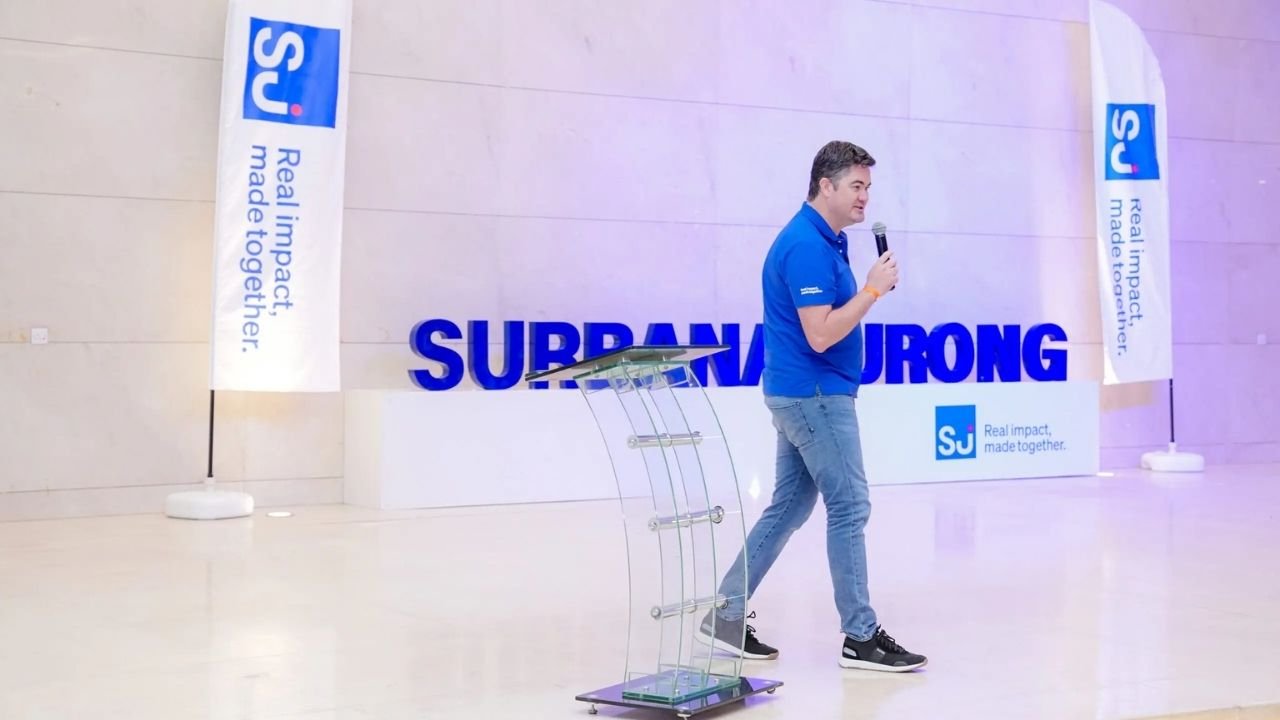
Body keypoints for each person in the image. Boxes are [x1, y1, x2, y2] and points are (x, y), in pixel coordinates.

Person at [697, 140, 927, 672]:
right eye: (856, 186)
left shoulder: (826, 240)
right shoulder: (805, 246)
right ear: (826, 186)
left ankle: (726, 614)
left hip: (804, 392)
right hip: (815, 395)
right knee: (849, 506)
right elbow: (820, 334)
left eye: (868, 187)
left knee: (790, 506)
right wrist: (871, 292)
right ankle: (860, 637)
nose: (865, 197)